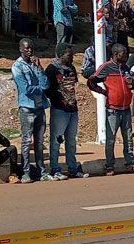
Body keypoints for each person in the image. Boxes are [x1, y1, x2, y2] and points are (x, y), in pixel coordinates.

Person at [89, 43, 134, 176]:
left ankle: (130, 163)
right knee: (111, 139)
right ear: (115, 54)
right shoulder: (106, 67)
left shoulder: (125, 67)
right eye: (123, 53)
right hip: (112, 110)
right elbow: (91, 81)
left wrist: (133, 82)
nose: (126, 55)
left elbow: (132, 84)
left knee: (128, 138)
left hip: (125, 109)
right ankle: (109, 165)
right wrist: (102, 91)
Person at [12, 38, 52, 182]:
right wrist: (41, 88)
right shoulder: (17, 67)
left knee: (40, 141)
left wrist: (40, 68)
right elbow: (25, 89)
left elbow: (46, 84)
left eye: (31, 48)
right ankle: (25, 172)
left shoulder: (35, 64)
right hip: (27, 108)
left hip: (40, 107)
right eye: (27, 48)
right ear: (21, 49)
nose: (30, 50)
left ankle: (42, 171)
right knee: (27, 141)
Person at [45, 44, 87, 179]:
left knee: (71, 140)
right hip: (59, 110)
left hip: (73, 109)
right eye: (69, 54)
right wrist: (59, 100)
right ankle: (55, 168)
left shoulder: (72, 68)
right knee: (56, 140)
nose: (72, 57)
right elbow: (47, 89)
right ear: (61, 54)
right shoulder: (52, 69)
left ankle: (72, 168)